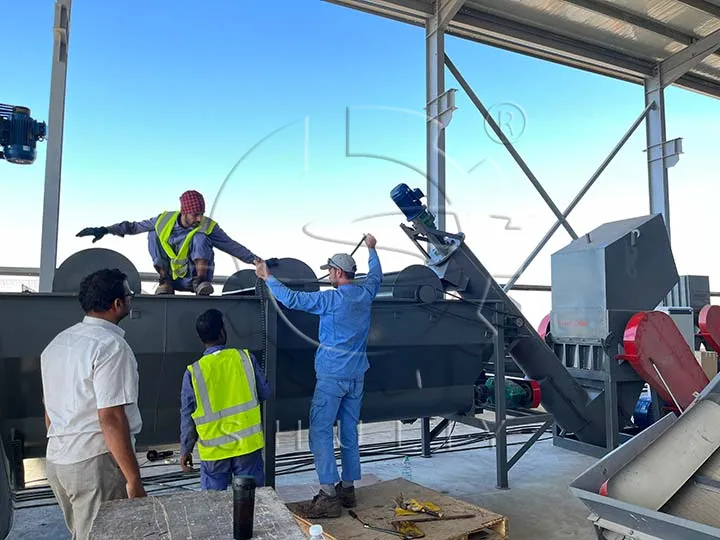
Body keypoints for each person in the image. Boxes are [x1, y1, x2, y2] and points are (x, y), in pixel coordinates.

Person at [254, 234, 382, 519]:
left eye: (330, 272)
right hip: (357, 375)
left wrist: (267, 277)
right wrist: (373, 250)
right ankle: (347, 488)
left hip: (332, 376)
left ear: (337, 273)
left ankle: (327, 495)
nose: (329, 276)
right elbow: (376, 276)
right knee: (348, 431)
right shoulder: (366, 294)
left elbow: (291, 299)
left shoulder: (331, 300)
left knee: (321, 432)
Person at [41, 268, 145, 540]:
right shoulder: (111, 347)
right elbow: (110, 417)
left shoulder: (57, 343)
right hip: (95, 462)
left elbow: (48, 407)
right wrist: (133, 478)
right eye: (129, 295)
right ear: (118, 304)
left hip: (59, 459)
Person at [75, 190, 263, 296]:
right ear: (184, 211)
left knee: (200, 238)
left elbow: (231, 245)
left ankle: (201, 282)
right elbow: (133, 227)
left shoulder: (207, 227)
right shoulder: (163, 221)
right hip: (171, 278)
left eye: (201, 214)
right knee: (152, 234)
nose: (199, 218)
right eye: (195, 214)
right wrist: (106, 229)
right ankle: (164, 282)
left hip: (194, 281)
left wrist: (256, 260)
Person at [179, 308, 270, 489]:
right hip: (247, 446)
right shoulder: (245, 358)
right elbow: (265, 392)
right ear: (222, 332)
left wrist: (186, 450)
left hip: (214, 452)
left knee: (215, 505)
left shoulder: (194, 372)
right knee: (251, 502)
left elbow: (187, 415)